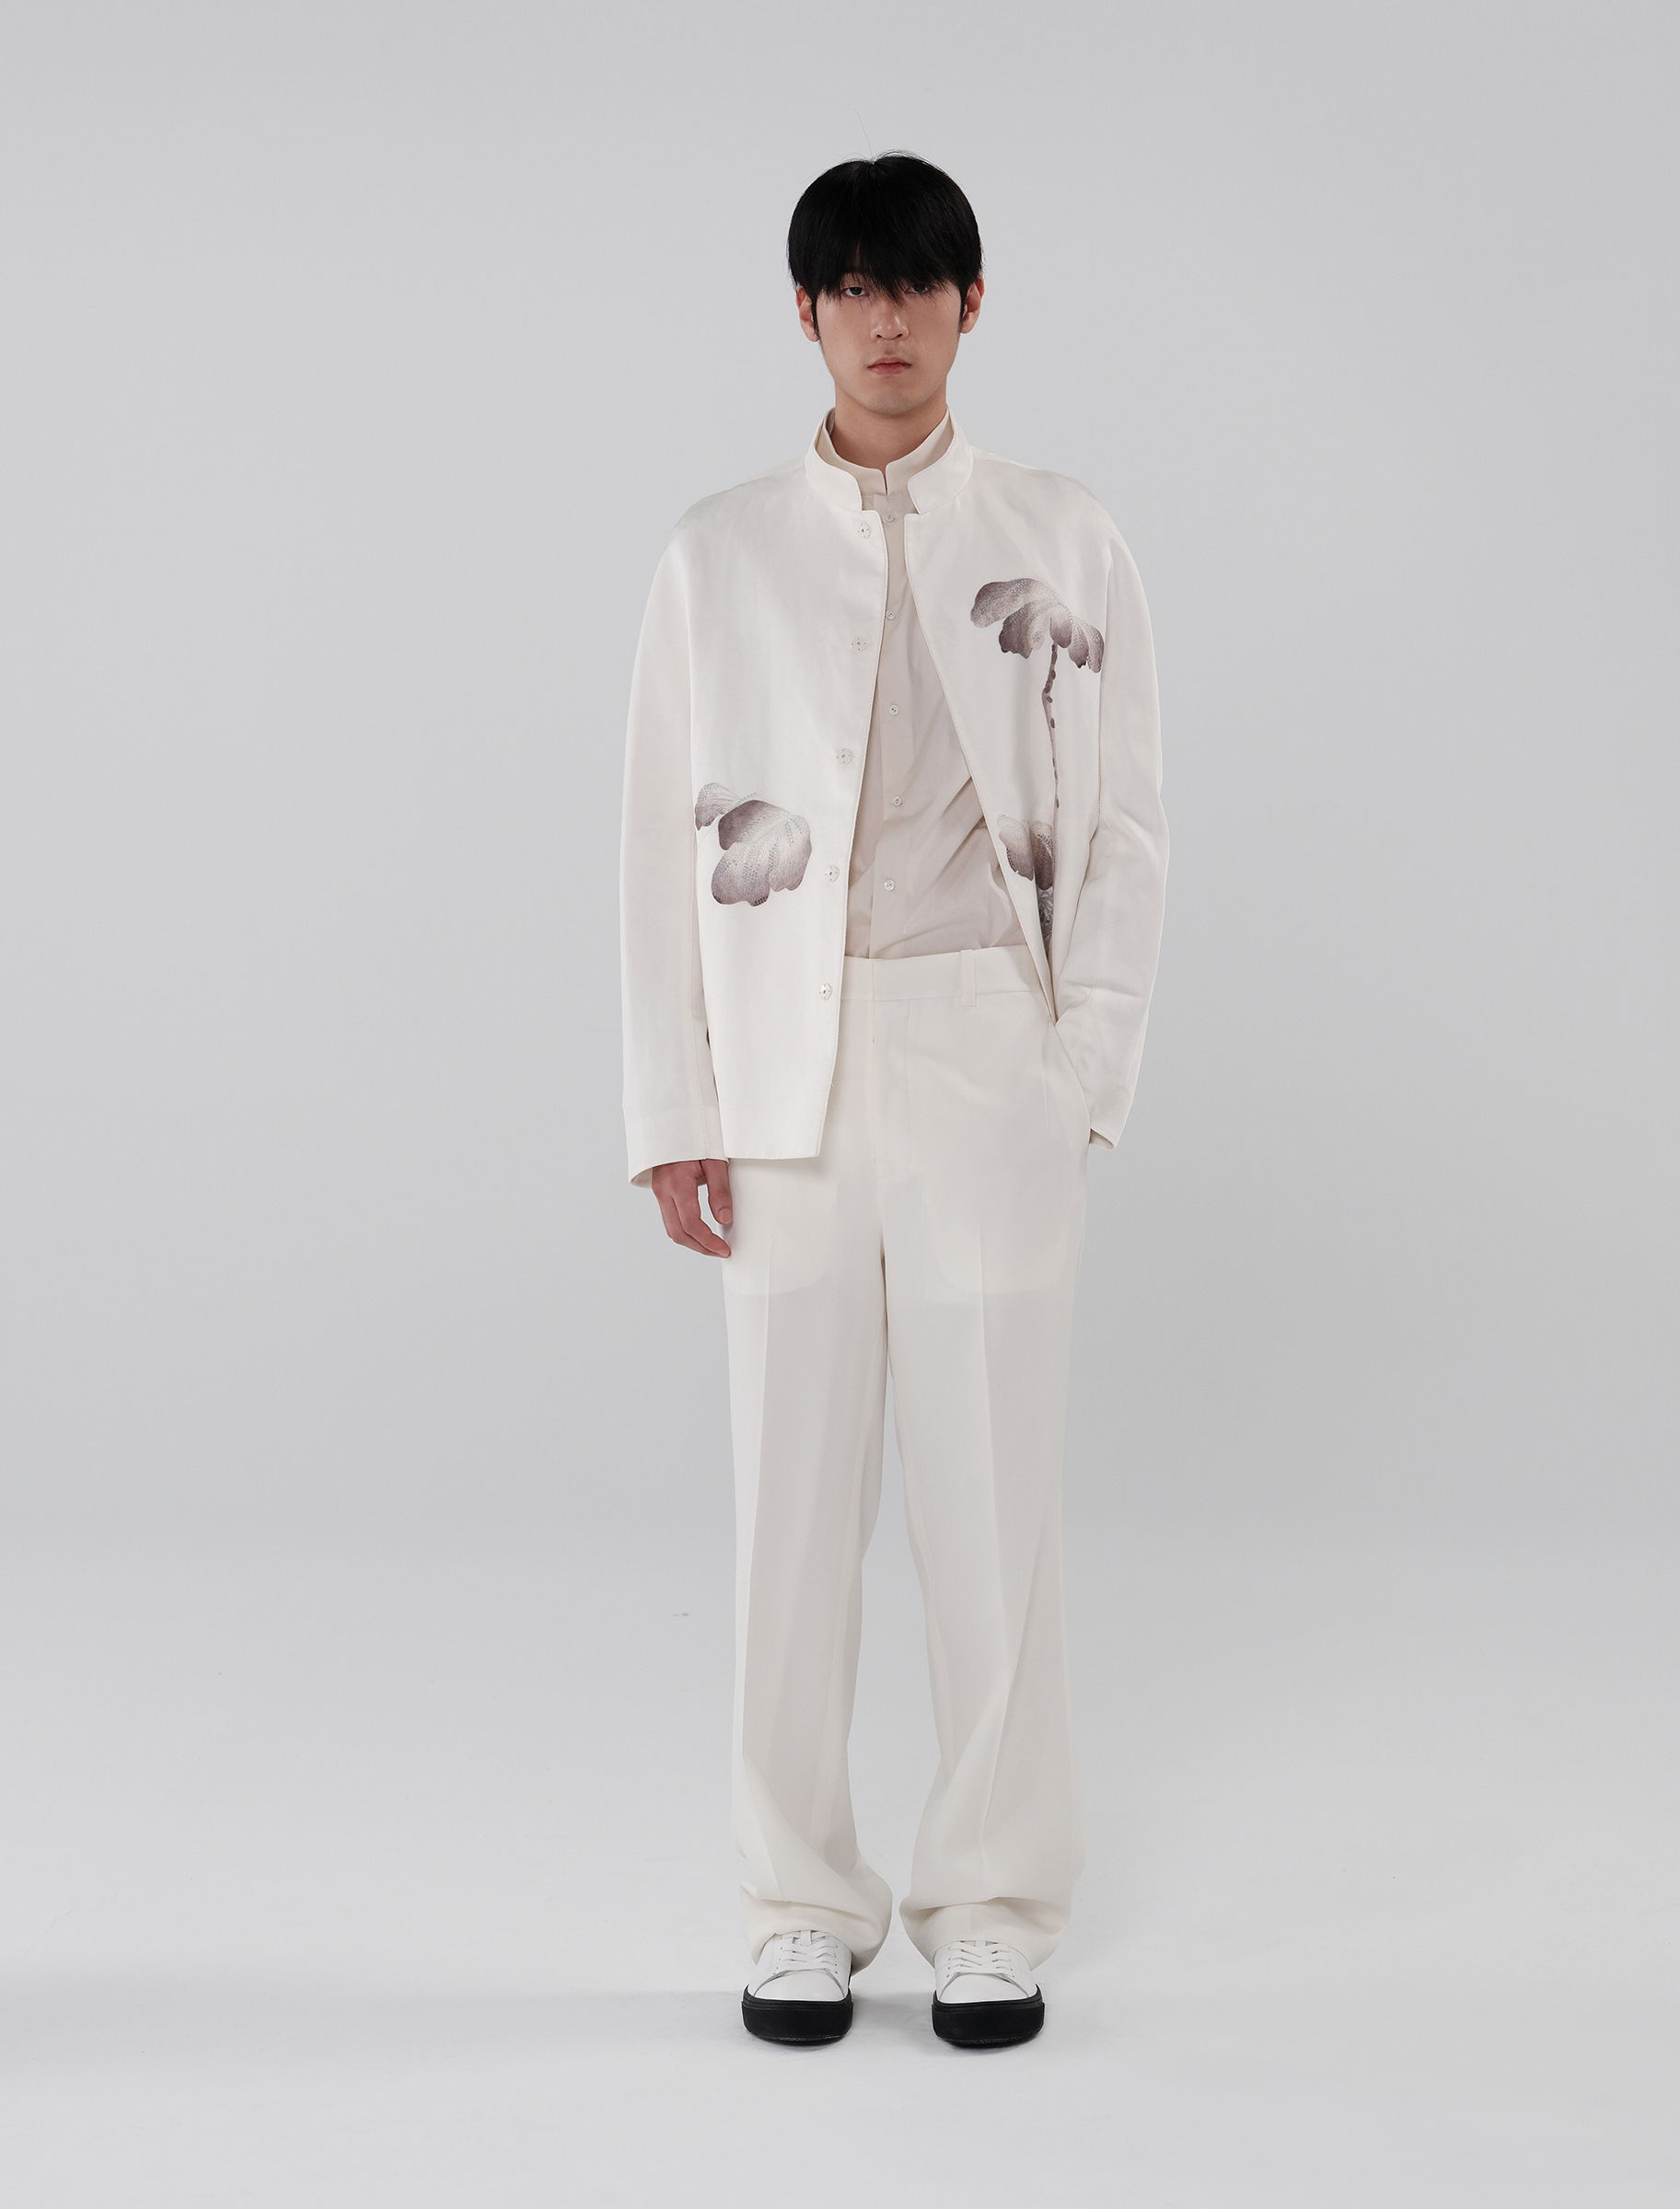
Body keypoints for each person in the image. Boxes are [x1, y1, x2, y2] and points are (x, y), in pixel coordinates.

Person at [620, 154, 1166, 2048]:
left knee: (992, 1498)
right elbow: (653, 843)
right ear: (805, 313)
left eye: (916, 285)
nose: (885, 320)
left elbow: (1128, 823)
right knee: (791, 1505)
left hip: (986, 1056)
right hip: (782, 1072)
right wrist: (672, 1106)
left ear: (969, 303)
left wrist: (1081, 1069)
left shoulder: (1064, 532)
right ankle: (797, 1902)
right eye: (850, 289)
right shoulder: (716, 554)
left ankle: (994, 1899)